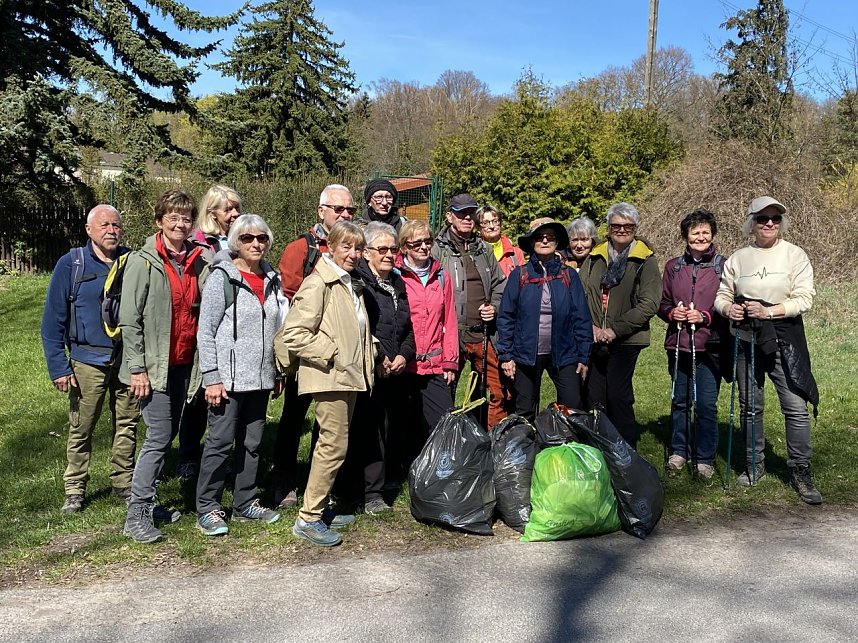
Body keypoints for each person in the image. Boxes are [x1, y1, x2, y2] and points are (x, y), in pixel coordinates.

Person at [120, 189, 213, 544]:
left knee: (167, 434)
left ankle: (150, 502)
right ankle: (137, 513)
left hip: (183, 365)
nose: (179, 223)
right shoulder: (142, 262)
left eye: (186, 218)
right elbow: (130, 321)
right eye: (172, 217)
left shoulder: (198, 260)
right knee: (158, 437)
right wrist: (138, 369)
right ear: (159, 222)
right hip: (152, 367)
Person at [715, 196, 821, 504]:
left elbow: (805, 298)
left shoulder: (795, 255)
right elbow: (723, 293)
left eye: (775, 218)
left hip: (784, 337)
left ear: (781, 223)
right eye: (762, 219)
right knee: (750, 406)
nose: (769, 223)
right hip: (746, 338)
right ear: (752, 223)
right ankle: (754, 466)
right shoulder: (738, 258)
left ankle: (801, 471)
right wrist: (727, 311)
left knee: (795, 407)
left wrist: (770, 311)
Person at [277, 221, 376, 547]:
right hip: (330, 376)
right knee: (332, 448)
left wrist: (369, 348)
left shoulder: (348, 282)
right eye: (346, 246)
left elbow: (349, 328)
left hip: (347, 376)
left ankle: (319, 509)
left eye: (358, 248)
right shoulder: (319, 283)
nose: (353, 253)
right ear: (330, 247)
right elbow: (293, 334)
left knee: (333, 447)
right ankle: (308, 518)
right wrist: (331, 353)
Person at [41, 204, 140, 513]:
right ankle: (74, 489)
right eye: (104, 225)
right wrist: (59, 366)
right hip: (86, 361)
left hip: (127, 360)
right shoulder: (72, 264)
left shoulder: (132, 263)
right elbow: (52, 321)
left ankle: (123, 485)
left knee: (127, 424)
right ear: (89, 230)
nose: (111, 230)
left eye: (116, 225)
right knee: (81, 427)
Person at [194, 214, 284, 536]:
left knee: (252, 443)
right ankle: (207, 507)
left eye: (261, 238)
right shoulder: (223, 278)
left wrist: (278, 370)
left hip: (261, 377)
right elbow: (205, 332)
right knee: (219, 443)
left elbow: (277, 328)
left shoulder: (273, 278)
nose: (255, 243)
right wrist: (212, 377)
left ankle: (245, 501)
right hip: (227, 381)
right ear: (236, 242)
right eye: (248, 238)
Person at [272, 184, 357, 509]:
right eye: (338, 209)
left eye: (349, 210)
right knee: (294, 417)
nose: (345, 214)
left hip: (335, 356)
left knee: (330, 423)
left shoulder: (350, 246)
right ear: (321, 210)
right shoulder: (300, 248)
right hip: (306, 349)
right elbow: (288, 296)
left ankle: (319, 484)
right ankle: (284, 481)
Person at [347, 221, 416, 513]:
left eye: (393, 249)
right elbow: (358, 326)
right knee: (365, 430)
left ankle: (381, 483)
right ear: (367, 253)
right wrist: (378, 359)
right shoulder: (359, 283)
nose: (389, 254)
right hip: (367, 368)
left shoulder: (397, 283)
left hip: (395, 370)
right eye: (382, 249)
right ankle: (363, 493)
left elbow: (408, 327)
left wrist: (403, 355)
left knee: (388, 428)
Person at [580, 202, 660, 449]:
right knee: (594, 396)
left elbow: (649, 303)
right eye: (616, 225)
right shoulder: (595, 257)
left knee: (618, 395)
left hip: (626, 339)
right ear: (608, 227)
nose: (621, 230)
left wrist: (615, 329)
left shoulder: (645, 261)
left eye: (627, 226)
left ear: (635, 228)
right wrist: (591, 327)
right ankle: (599, 447)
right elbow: (579, 294)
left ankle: (626, 450)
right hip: (593, 337)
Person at [177, 184, 243, 483]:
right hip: (199, 327)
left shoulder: (238, 241)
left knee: (227, 397)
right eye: (228, 208)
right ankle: (189, 457)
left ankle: (222, 456)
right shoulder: (196, 243)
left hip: (233, 332)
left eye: (237, 208)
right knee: (196, 397)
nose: (234, 213)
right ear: (211, 211)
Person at [497, 218, 592, 422]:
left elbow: (581, 317)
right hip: (526, 353)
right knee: (524, 411)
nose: (545, 241)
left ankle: (567, 449)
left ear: (557, 243)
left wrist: (583, 356)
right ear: (532, 242)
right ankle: (525, 451)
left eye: (550, 237)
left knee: (572, 408)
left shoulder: (569, 276)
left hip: (565, 353)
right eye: (539, 237)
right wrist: (506, 355)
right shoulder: (519, 275)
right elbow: (506, 316)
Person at [658, 209, 726, 480]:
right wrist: (672, 313)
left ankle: (705, 458)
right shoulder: (673, 266)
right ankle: (679, 451)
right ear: (685, 236)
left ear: (712, 235)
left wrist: (706, 316)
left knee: (706, 404)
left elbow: (728, 305)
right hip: (679, 344)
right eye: (695, 232)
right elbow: (662, 304)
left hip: (710, 346)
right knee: (680, 400)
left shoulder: (724, 265)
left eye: (705, 232)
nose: (700, 236)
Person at [432, 193, 508, 428]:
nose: (467, 218)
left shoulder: (484, 249)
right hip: (451, 335)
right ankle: (445, 442)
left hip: (483, 332)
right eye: (460, 213)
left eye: (470, 213)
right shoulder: (437, 250)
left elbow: (500, 284)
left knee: (498, 391)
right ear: (449, 217)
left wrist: (493, 307)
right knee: (446, 392)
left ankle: (495, 441)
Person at [397, 220, 459, 454]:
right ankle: (403, 469)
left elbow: (450, 321)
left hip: (434, 363)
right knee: (403, 421)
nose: (423, 247)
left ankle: (441, 470)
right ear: (404, 247)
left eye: (427, 241)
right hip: (405, 363)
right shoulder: (396, 275)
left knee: (444, 421)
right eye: (416, 243)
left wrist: (450, 361)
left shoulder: (441, 276)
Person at [477, 204, 525, 278]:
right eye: (485, 223)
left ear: (500, 223)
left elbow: (523, 282)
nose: (492, 226)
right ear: (478, 228)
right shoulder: (475, 254)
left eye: (495, 221)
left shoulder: (515, 254)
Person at [194, 184, 242, 251]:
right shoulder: (200, 243)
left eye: (237, 208)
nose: (236, 213)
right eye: (228, 210)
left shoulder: (246, 238)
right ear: (212, 214)